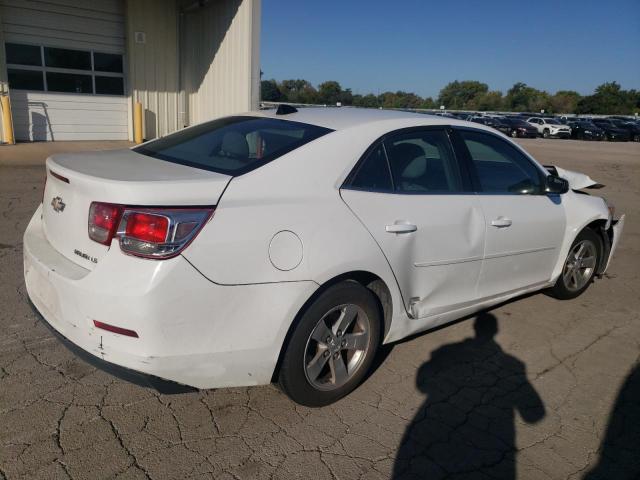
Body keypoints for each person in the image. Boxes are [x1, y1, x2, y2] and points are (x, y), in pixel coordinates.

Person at [393, 312, 545, 479]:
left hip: (432, 438)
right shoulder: (514, 365)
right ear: (495, 331)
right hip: (489, 450)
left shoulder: (445, 351)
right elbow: (534, 415)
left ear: (475, 328)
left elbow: (421, 383)